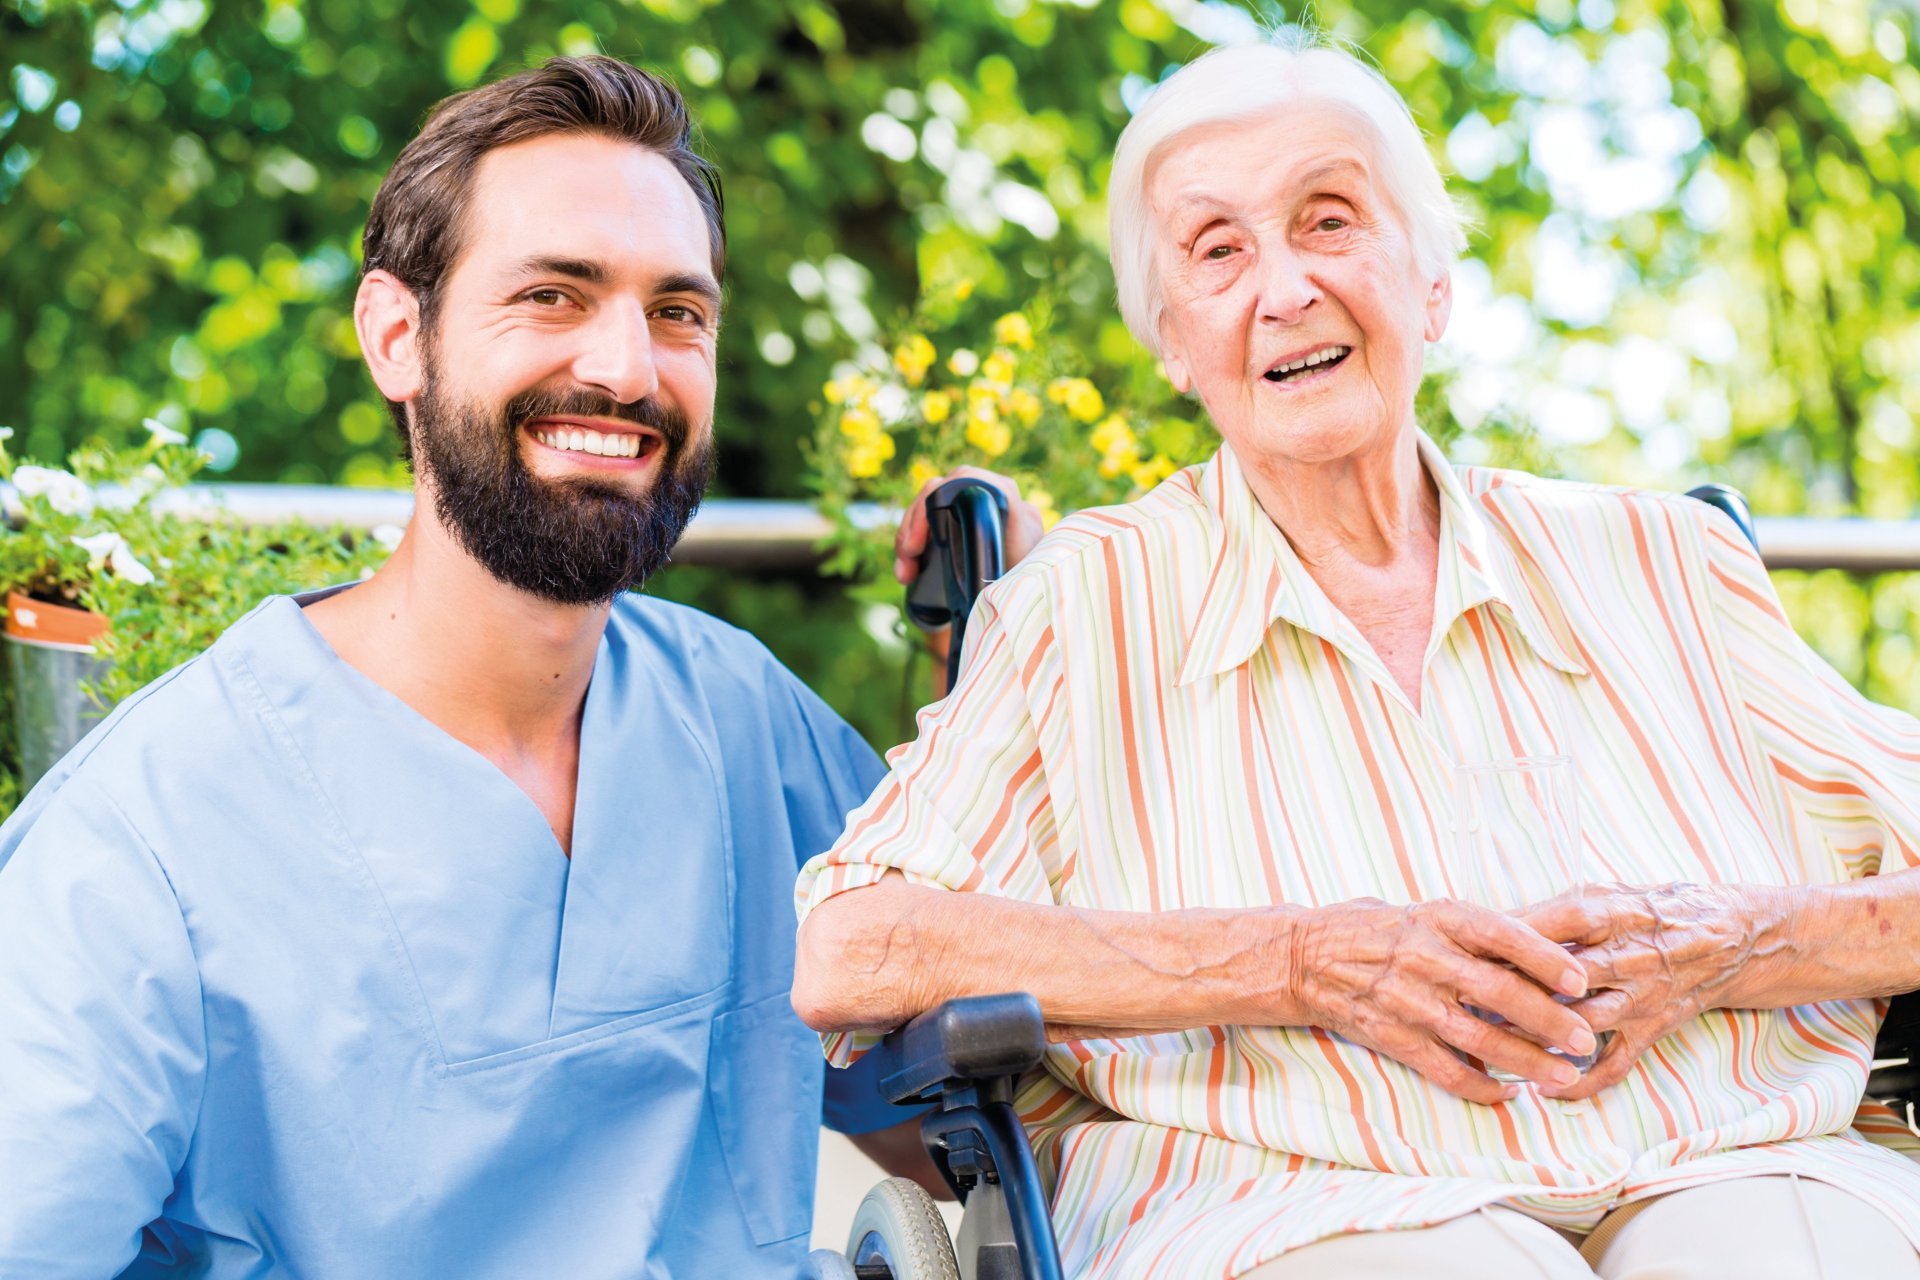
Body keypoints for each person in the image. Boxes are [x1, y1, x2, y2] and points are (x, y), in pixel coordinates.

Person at [793, 35, 1920, 1280]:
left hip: (1736, 1157)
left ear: (1431, 286)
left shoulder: (1664, 562)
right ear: (1174, 341)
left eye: (1329, 220)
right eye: (1219, 251)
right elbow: (855, 946)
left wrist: (1734, 938)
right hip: (1293, 1202)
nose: (1284, 289)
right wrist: (1303, 961)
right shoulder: (1085, 609)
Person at [0, 56, 1037, 1276]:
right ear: (398, 334)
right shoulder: (144, 837)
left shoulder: (745, 721)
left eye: (678, 312)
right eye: (553, 294)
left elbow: (964, 1113)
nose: (627, 369)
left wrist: (1035, 656)